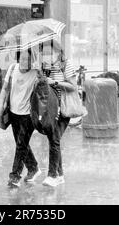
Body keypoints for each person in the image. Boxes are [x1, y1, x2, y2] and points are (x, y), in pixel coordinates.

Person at [0, 48, 41, 188]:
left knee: (21, 145)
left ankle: (14, 176)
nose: (24, 62)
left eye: (27, 59)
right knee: (21, 144)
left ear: (31, 61)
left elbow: (44, 87)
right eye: (22, 58)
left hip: (28, 116)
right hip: (13, 113)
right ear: (18, 59)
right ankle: (33, 167)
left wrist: (41, 72)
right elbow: (4, 89)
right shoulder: (12, 69)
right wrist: (0, 105)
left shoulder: (35, 73)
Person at [41, 43, 77, 187]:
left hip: (63, 108)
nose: (46, 56)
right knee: (53, 139)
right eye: (44, 53)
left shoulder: (65, 64)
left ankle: (52, 175)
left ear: (57, 52)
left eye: (49, 53)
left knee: (54, 138)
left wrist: (55, 81)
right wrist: (43, 76)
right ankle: (60, 174)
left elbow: (73, 86)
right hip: (50, 109)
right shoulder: (45, 67)